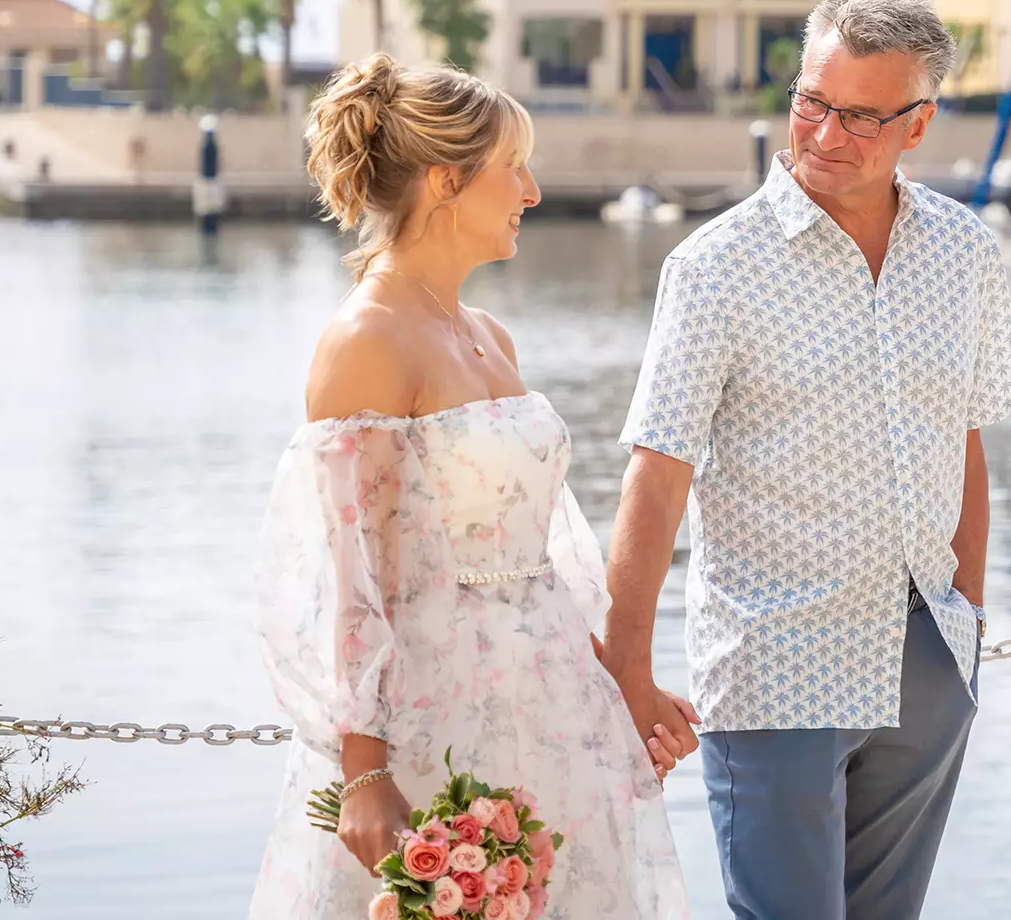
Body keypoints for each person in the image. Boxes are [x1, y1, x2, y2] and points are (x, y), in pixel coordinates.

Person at [602, 0, 1011, 920]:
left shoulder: (966, 254)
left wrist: (969, 625)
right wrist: (625, 669)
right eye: (812, 103)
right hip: (773, 667)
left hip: (925, 657)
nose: (827, 135)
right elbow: (656, 476)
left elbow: (968, 442)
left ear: (918, 124)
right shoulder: (713, 269)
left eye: (861, 117)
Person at [251, 53, 688, 920]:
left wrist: (618, 683)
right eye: (512, 169)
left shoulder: (488, 334)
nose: (530, 190)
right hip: (429, 720)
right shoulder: (366, 341)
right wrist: (366, 770)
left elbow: (542, 546)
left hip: (554, 705)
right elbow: (348, 579)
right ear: (448, 181)